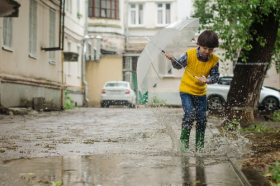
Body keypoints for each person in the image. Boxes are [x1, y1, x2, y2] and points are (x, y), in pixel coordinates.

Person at [165, 30, 220, 152]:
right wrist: (172, 59)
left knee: (201, 119)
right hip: (186, 91)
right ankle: (184, 146)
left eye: (210, 49)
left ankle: (199, 147)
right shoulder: (189, 54)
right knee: (189, 115)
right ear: (199, 44)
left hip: (201, 93)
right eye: (205, 48)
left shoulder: (214, 60)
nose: (207, 52)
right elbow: (178, 66)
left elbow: (215, 77)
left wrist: (207, 80)